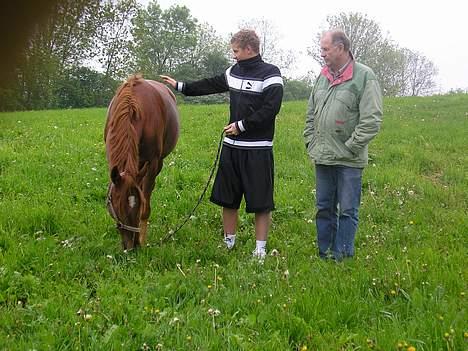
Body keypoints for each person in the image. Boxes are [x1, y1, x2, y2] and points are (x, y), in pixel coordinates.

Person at [161, 29, 283, 261]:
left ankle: (260, 249)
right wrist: (180, 86)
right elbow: (210, 84)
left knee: (260, 202)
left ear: (249, 49)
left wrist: (242, 126)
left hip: (258, 148)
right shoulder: (233, 71)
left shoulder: (271, 74)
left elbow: (270, 109)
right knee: (228, 198)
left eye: (236, 51)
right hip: (231, 147)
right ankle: (229, 242)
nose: (234, 55)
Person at [304, 29, 383, 261]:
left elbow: (372, 119)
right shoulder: (322, 76)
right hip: (323, 156)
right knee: (323, 208)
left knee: (348, 211)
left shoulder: (364, 76)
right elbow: (311, 113)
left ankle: (343, 256)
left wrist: (351, 147)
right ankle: (324, 252)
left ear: (340, 48)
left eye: (325, 49)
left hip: (349, 159)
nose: (322, 54)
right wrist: (310, 140)